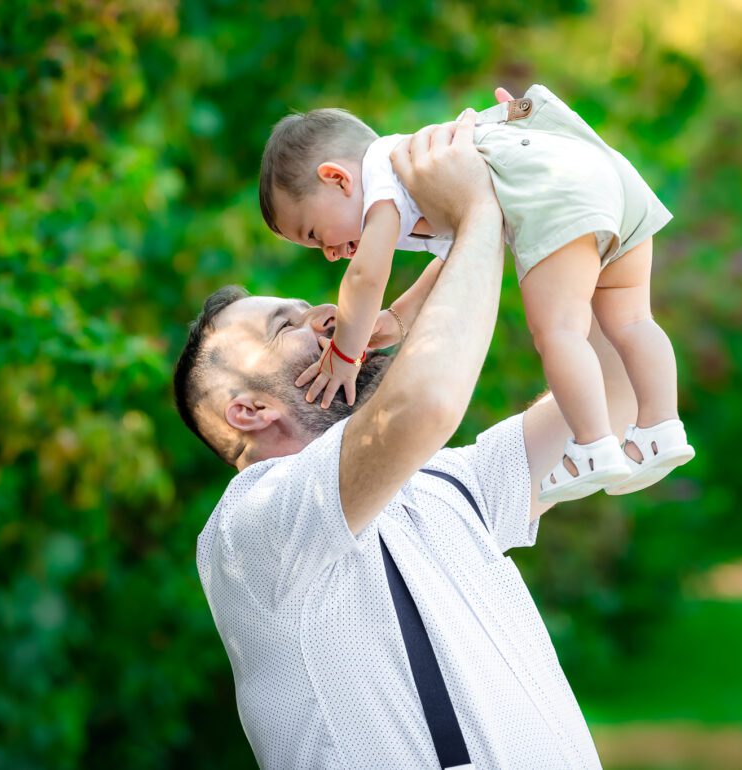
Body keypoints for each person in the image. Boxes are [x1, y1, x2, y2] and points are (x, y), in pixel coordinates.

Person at [174, 110, 638, 769]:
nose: (325, 314)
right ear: (248, 409)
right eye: (289, 325)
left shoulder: (450, 482)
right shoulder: (251, 530)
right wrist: (476, 211)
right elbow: (423, 403)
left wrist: (569, 199)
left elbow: (613, 392)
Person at [258, 85, 694, 503]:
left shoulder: (382, 175)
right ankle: (661, 427)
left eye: (315, 235)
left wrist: (345, 354)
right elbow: (455, 261)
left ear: (337, 179)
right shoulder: (426, 179)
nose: (330, 254)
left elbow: (364, 278)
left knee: (560, 332)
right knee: (633, 320)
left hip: (556, 191)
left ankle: (592, 445)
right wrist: (399, 317)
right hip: (605, 173)